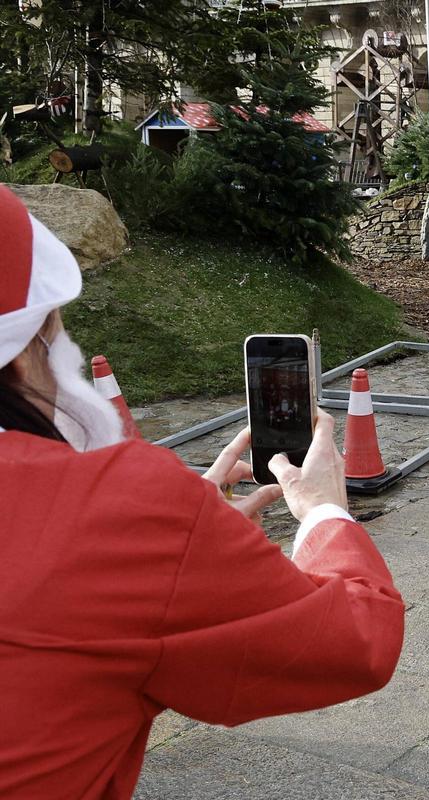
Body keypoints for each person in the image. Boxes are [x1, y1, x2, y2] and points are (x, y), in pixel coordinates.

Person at [0, 184, 406, 798]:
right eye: (58, 326)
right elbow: (355, 643)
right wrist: (323, 510)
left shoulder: (130, 512)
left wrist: (190, 550)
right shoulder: (118, 507)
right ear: (25, 346)